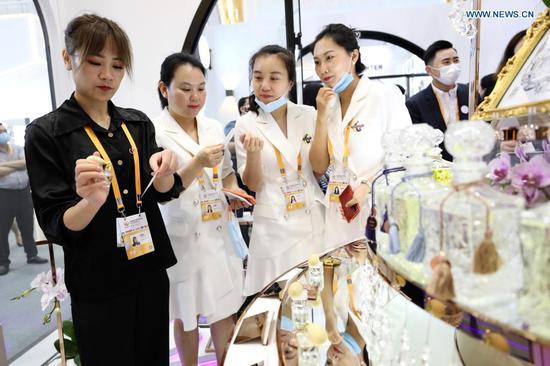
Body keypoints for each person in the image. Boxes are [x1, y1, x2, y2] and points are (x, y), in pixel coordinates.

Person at [24, 14, 182, 365]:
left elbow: (161, 191)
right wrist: (92, 200)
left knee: (154, 356)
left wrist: (167, 170)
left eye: (117, 65)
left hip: (149, 268)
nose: (107, 75)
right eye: (95, 62)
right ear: (67, 58)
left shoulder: (137, 122)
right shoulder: (47, 134)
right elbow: (57, 223)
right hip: (97, 278)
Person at [154, 52, 246, 365]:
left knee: (224, 309)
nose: (195, 97)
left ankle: (225, 360)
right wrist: (197, 163)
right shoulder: (155, 132)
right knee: (186, 314)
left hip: (217, 230)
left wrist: (233, 192)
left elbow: (227, 172)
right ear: (164, 89)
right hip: (182, 236)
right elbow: (163, 192)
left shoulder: (212, 127)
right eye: (185, 88)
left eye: (201, 88)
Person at [309, 24, 411, 251]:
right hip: (339, 209)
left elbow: (405, 155)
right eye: (317, 62)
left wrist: (369, 186)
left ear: (353, 55)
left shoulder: (384, 95)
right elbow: (318, 165)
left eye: (330, 58)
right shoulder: (328, 104)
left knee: (375, 278)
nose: (323, 69)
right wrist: (321, 117)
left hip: (377, 207)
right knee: (343, 281)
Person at [235, 45, 327, 295]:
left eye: (274, 78)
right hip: (274, 226)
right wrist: (253, 153)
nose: (264, 85)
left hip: (311, 219)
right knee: (281, 304)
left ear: (290, 83)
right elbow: (252, 185)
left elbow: (319, 168)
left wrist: (323, 119)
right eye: (257, 77)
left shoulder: (309, 115)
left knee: (315, 297)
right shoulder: (245, 124)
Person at [405, 40, 469, 161]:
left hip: (471, 167)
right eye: (446, 62)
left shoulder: (470, 94)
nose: (453, 66)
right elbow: (417, 146)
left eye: (456, 60)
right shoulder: (415, 104)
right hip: (437, 170)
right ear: (429, 70)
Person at [0, 123, 47, 276]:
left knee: (27, 225)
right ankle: (3, 262)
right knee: (2, 230)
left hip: (23, 192)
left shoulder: (18, 148)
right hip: (4, 194)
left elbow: (26, 162)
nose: (3, 134)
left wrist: (6, 166)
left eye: (4, 131)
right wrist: (17, 165)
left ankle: (32, 255)